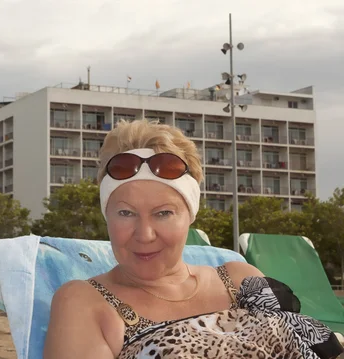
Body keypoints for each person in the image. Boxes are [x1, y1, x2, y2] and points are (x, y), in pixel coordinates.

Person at [43, 120, 343, 359]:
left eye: (163, 213)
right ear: (106, 215)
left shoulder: (240, 280)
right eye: (125, 212)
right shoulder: (85, 301)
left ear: (190, 214)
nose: (145, 234)